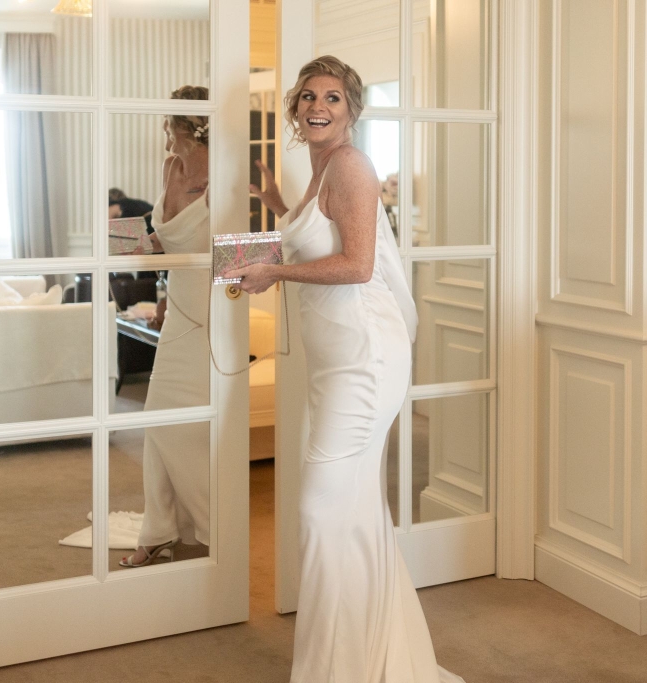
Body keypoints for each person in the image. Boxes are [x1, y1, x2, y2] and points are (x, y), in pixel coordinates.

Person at [229, 56, 465, 683]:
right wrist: (277, 205)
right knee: (353, 508)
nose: (319, 106)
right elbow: (323, 234)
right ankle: (368, 661)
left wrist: (275, 271)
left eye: (333, 97)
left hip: (364, 356)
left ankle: (335, 668)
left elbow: (358, 265)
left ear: (352, 110)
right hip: (334, 360)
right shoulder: (319, 170)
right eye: (309, 96)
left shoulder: (353, 166)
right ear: (295, 109)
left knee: (320, 509)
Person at [120, 85, 211, 568]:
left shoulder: (229, 171)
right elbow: (163, 241)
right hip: (177, 313)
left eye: (170, 124)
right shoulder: (171, 168)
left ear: (190, 127)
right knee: (157, 423)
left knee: (188, 431)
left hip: (214, 316)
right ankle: (157, 531)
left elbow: (250, 255)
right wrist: (115, 241)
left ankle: (217, 528)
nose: (165, 133)